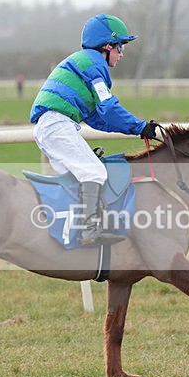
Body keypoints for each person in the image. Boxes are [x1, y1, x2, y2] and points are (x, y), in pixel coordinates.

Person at [29, 14, 160, 246]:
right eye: (120, 47)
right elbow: (108, 108)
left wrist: (137, 129)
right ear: (107, 46)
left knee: (79, 180)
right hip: (57, 126)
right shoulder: (94, 64)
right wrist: (140, 126)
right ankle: (89, 231)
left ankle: (72, 231)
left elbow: (98, 119)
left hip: (52, 126)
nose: (121, 54)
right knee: (94, 173)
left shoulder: (86, 64)